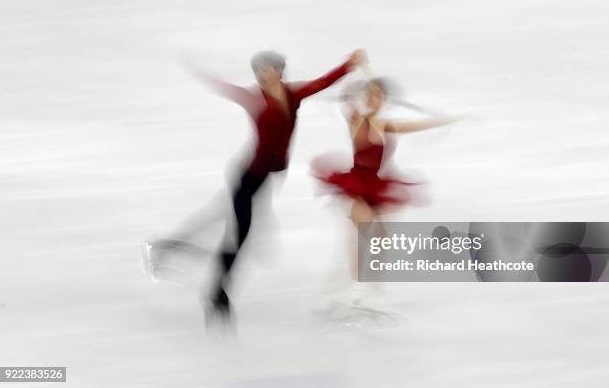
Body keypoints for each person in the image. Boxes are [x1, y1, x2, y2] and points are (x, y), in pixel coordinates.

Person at [146, 49, 368, 323]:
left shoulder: (293, 95)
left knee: (222, 217)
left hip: (264, 177)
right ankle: (216, 294)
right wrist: (198, 68)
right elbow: (225, 88)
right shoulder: (254, 98)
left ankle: (166, 248)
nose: (261, 75)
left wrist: (349, 64)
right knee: (238, 237)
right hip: (248, 177)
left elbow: (322, 83)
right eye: (258, 71)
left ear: (280, 70)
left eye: (266, 69)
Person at [311, 78, 461, 309]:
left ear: (384, 100)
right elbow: (346, 98)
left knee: (378, 239)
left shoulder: (388, 125)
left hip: (376, 187)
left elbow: (418, 126)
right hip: (355, 187)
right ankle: (355, 289)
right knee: (364, 229)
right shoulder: (356, 119)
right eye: (369, 94)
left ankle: (372, 292)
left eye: (378, 94)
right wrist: (355, 78)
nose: (372, 98)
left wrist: (449, 120)